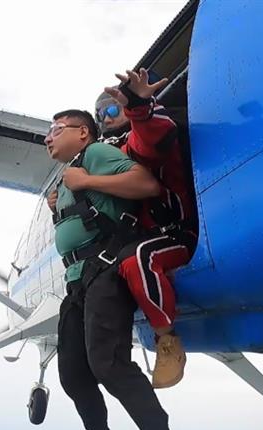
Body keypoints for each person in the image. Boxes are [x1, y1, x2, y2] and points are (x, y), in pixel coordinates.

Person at [45, 109, 205, 430]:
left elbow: (144, 184)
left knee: (109, 364)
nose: (48, 137)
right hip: (77, 279)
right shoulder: (70, 175)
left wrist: (87, 182)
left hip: (106, 267)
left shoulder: (95, 154)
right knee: (72, 373)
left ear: (82, 133)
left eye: (56, 130)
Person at [48, 68, 197, 389]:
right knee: (123, 262)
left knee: (137, 260)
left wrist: (138, 107)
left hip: (174, 234)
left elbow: (151, 142)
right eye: (101, 113)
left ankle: (166, 340)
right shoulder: (102, 153)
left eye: (113, 109)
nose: (106, 117)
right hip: (138, 238)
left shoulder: (140, 137)